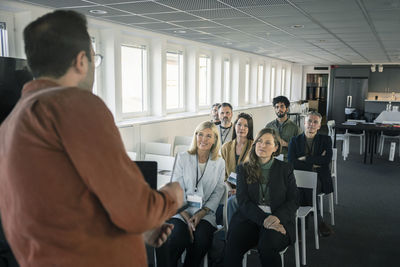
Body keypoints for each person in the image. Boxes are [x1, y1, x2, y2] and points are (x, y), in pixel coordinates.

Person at [0, 10, 183, 267]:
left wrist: (137, 230)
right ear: (81, 60)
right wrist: (170, 197)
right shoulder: (75, 105)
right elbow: (138, 211)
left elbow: (65, 207)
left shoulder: (11, 121)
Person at [224, 128, 299, 267]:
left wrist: (276, 218)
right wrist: (264, 219)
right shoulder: (243, 169)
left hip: (278, 220)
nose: (262, 145)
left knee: (267, 246)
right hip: (250, 218)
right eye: (259, 141)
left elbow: (293, 200)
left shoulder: (285, 168)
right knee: (233, 243)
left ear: (276, 148)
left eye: (267, 143)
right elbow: (243, 201)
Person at [156, 121, 225, 267]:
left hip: (205, 213)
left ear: (215, 140)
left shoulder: (219, 162)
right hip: (181, 212)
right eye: (200, 134)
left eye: (208, 136)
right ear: (195, 136)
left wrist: (201, 213)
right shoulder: (183, 157)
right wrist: (187, 217)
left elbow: (218, 190)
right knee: (176, 237)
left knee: (202, 238)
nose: (203, 139)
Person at [288, 111, 334, 236]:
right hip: (299, 176)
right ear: (304, 123)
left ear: (319, 126)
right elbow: (291, 162)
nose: (311, 124)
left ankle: (300, 225)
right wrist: (315, 161)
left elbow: (326, 160)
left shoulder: (326, 139)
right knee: (302, 186)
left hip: (319, 177)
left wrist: (305, 159)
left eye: (315, 122)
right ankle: (319, 221)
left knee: (305, 187)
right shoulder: (294, 140)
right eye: (309, 121)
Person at [221, 112, 254, 222]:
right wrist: (230, 189)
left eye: (245, 126)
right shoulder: (226, 147)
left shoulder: (254, 147)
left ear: (249, 129)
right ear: (234, 126)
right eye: (239, 124)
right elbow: (222, 174)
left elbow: (255, 175)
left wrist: (239, 190)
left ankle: (232, 233)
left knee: (232, 201)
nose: (242, 128)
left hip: (248, 189)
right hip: (228, 188)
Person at [266, 96, 301, 161]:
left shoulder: (295, 128)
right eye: (277, 107)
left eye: (282, 106)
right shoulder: (269, 126)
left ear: (287, 109)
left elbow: (300, 148)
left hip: (287, 160)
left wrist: (286, 144)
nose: (279, 109)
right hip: (271, 159)